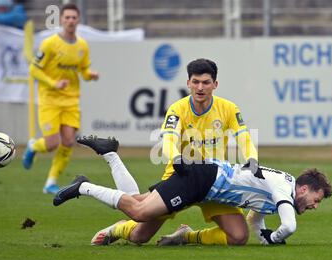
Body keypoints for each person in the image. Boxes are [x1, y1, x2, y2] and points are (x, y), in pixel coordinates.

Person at [85, 58, 261, 246]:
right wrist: (176, 158)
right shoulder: (178, 109)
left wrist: (252, 158)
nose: (200, 87)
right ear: (188, 83)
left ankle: (186, 236)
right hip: (182, 176)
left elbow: (244, 137)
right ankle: (119, 228)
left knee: (239, 236)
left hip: (214, 180)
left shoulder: (228, 108)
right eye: (195, 82)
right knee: (140, 236)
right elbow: (168, 138)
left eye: (205, 82)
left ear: (215, 84)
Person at [52, 137, 332, 245]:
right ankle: (83, 186)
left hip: (208, 186)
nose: (315, 205)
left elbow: (256, 219)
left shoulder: (279, 191)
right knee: (138, 216)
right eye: (315, 199)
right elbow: (289, 226)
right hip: (200, 178)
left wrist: (263, 235)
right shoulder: (283, 188)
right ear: (305, 188)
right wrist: (275, 237)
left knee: (138, 205)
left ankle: (111, 155)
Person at [22, 3, 99, 194]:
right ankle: (33, 145)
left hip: (71, 100)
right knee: (51, 144)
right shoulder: (49, 44)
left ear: (78, 20)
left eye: (74, 17)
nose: (71, 21)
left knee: (68, 141)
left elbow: (83, 70)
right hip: (50, 99)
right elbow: (33, 69)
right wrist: (52, 83)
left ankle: (51, 182)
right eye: (67, 18)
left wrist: (91, 75)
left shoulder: (82, 45)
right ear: (61, 20)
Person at [0, 0, 27, 74]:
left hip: (13, 51)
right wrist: (8, 21)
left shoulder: (18, 10)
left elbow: (20, 19)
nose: (1, 10)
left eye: (4, 8)